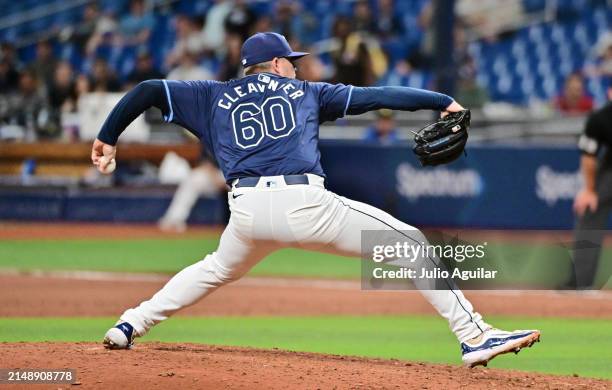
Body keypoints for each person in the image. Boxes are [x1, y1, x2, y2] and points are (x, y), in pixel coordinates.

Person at [92, 32, 540, 367]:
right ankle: (473, 334)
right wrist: (441, 101)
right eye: (290, 60)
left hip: (246, 212)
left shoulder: (210, 95)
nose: (297, 66)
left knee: (213, 270)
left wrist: (108, 137)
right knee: (411, 243)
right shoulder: (307, 93)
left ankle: (130, 324)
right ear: (274, 63)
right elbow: (378, 97)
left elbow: (148, 90)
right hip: (304, 205)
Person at [571, 87, 612, 289]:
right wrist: (589, 190)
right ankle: (581, 286)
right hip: (609, 173)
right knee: (588, 209)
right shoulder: (600, 118)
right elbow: (589, 156)